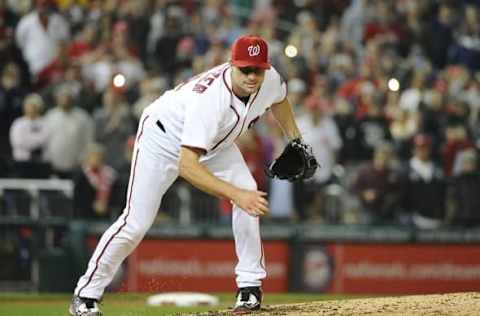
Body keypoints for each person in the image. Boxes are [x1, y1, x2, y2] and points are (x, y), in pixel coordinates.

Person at [69, 35, 313, 315]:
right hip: (163, 138)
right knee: (135, 222)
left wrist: (296, 140)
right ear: (231, 65)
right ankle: (85, 295)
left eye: (257, 69)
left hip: (214, 141)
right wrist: (235, 194)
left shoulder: (269, 80)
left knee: (248, 190)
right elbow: (187, 165)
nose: (251, 75)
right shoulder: (211, 100)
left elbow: (279, 99)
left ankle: (249, 289)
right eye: (245, 68)